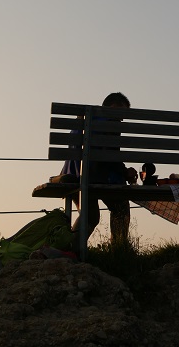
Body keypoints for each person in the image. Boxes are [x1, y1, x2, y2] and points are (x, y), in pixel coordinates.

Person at [64, 92, 138, 247]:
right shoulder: (109, 123)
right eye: (120, 113)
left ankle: (70, 250)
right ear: (112, 107)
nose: (121, 119)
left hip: (72, 177)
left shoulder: (84, 119)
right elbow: (108, 158)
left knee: (90, 216)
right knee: (120, 208)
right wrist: (125, 172)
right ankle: (118, 252)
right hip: (95, 177)